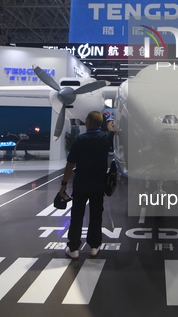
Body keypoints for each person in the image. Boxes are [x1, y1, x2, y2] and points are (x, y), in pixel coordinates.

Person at [61, 111, 114, 260]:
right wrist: (110, 129)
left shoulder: (79, 140)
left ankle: (73, 248)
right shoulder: (105, 138)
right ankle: (94, 246)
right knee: (96, 215)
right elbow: (110, 134)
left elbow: (70, 163)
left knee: (77, 216)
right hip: (98, 184)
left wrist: (64, 184)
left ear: (88, 123)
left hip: (81, 184)